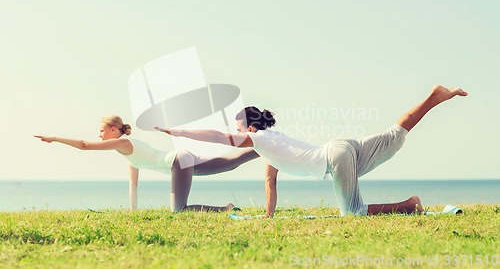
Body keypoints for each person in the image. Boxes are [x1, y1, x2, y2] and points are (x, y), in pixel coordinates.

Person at [156, 85, 468, 217]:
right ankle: (435, 96)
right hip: (341, 147)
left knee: (354, 213)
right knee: (395, 134)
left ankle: (409, 205)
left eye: (238, 130)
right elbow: (270, 182)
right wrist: (268, 214)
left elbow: (217, 137)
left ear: (250, 128)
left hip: (334, 158)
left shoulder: (259, 139)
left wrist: (178, 131)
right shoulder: (271, 143)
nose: (236, 135)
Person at [34, 115, 258, 212]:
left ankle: (225, 209)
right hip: (181, 159)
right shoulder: (128, 149)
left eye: (101, 130)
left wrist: (55, 138)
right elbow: (134, 185)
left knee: (179, 212)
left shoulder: (122, 143)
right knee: (230, 163)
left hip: (178, 161)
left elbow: (84, 145)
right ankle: (264, 148)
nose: (99, 134)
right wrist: (133, 212)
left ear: (114, 129)